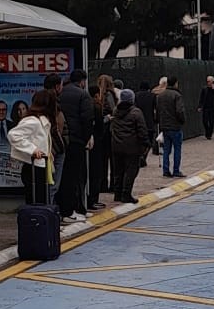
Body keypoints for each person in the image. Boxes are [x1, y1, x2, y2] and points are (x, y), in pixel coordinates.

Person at [58, 69, 95, 220]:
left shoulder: (60, 93)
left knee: (62, 176)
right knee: (75, 177)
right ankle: (70, 210)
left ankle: (63, 208)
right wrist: (85, 139)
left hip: (61, 140)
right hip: (76, 141)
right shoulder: (83, 95)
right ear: (82, 81)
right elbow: (87, 119)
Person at [7, 92, 56, 202]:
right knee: (36, 200)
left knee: (40, 199)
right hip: (34, 166)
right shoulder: (34, 121)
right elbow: (13, 135)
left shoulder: (40, 120)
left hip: (40, 165)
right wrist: (32, 149)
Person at [109, 88, 149, 204]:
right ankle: (126, 194)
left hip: (116, 146)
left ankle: (117, 194)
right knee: (131, 171)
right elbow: (142, 130)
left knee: (118, 171)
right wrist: (145, 143)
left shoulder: (115, 111)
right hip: (132, 147)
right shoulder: (136, 112)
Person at [88, 74, 117, 208]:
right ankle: (110, 184)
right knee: (110, 158)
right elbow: (113, 111)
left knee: (102, 160)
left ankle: (102, 184)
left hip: (100, 133)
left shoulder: (95, 95)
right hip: (107, 130)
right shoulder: (110, 95)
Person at [155, 75, 186, 179]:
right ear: (176, 83)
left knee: (166, 150)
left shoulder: (160, 95)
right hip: (175, 126)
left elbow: (158, 111)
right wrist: (182, 120)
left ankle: (166, 170)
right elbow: (179, 111)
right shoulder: (177, 95)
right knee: (177, 149)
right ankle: (176, 170)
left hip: (164, 126)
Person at [135, 80, 158, 147]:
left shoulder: (136, 95)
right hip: (149, 122)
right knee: (149, 141)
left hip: (138, 122)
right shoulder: (153, 96)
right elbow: (156, 108)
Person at [197, 74, 214, 140]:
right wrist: (200, 106)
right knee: (204, 121)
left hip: (213, 107)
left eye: (209, 81)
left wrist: (213, 90)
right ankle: (207, 131)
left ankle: (209, 134)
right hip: (205, 106)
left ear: (212, 81)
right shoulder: (204, 88)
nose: (208, 82)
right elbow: (201, 98)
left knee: (211, 121)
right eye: (207, 81)